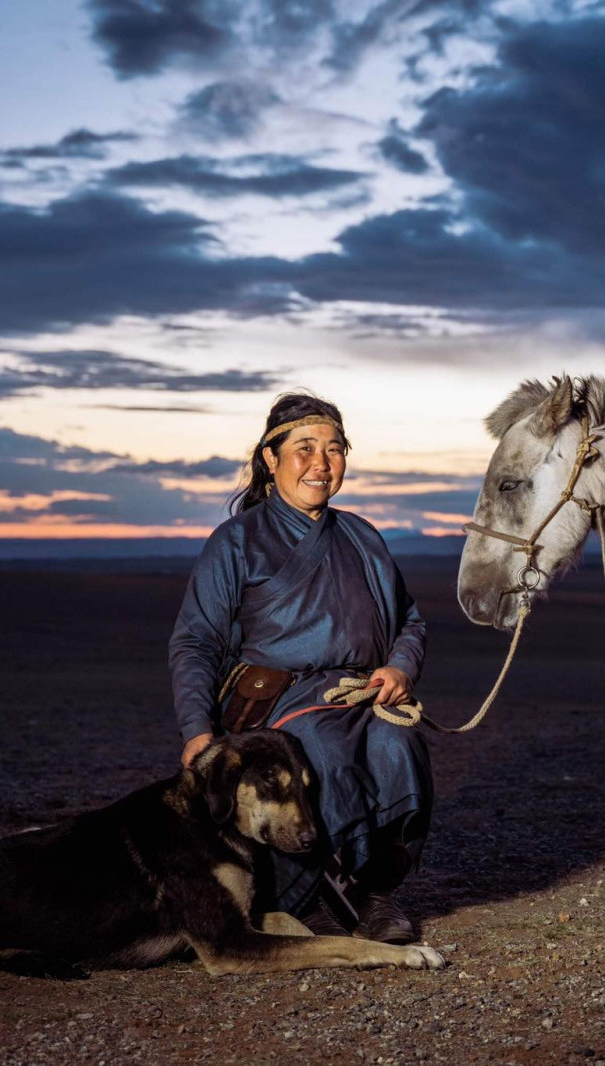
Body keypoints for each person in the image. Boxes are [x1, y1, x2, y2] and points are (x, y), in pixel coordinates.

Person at [169, 392, 430, 944]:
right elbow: (195, 642)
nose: (321, 463)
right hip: (279, 703)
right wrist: (196, 730)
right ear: (271, 458)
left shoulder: (362, 536)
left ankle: (373, 889)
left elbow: (409, 619)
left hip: (363, 694)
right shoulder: (236, 542)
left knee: (397, 748)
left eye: (334, 450)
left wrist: (400, 668)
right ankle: (327, 898)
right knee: (325, 756)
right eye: (304, 448)